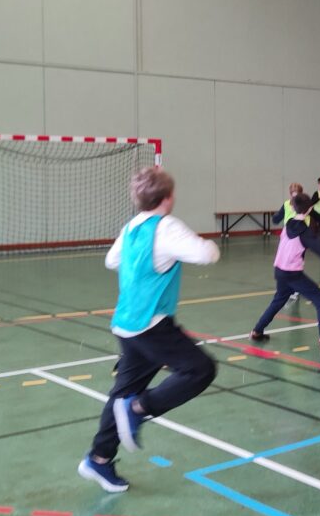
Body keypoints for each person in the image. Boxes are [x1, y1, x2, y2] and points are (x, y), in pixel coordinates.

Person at [78, 167, 221, 494]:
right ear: (168, 198)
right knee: (200, 369)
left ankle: (99, 458)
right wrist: (212, 246)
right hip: (152, 326)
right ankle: (139, 408)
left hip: (126, 324)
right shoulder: (166, 227)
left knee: (121, 393)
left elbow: (112, 261)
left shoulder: (131, 228)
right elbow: (205, 254)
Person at [250, 192, 320, 348]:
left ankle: (257, 331)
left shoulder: (289, 223)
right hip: (292, 274)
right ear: (310, 209)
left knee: (279, 300)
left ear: (293, 207)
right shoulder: (304, 233)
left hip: (279, 270)